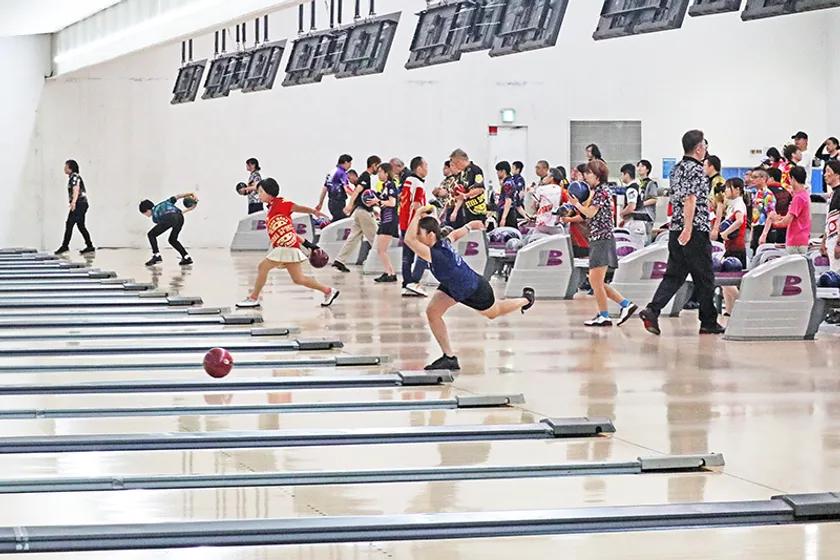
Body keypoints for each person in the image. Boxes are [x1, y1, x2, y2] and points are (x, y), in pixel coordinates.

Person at [404, 206, 535, 371]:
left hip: (475, 290)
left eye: (419, 234)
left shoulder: (436, 255)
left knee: (494, 312)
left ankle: (526, 300)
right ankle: (449, 358)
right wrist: (469, 226)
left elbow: (409, 240)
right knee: (433, 312)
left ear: (430, 236)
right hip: (452, 286)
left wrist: (416, 213)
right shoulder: (440, 244)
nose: (416, 237)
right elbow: (453, 235)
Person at [639, 129, 725, 336]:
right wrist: (688, 228)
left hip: (675, 228)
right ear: (699, 149)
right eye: (704, 145)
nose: (706, 149)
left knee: (674, 275)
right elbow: (690, 199)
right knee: (705, 277)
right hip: (693, 229)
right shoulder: (696, 170)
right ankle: (708, 322)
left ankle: (652, 310)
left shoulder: (676, 169)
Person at [237, 178, 338, 309]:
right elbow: (289, 231)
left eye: (261, 191)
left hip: (286, 246)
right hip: (289, 246)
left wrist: (314, 212)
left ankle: (253, 298)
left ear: (269, 193)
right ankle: (328, 291)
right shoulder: (271, 208)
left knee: (263, 267)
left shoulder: (281, 203)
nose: (259, 195)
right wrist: (309, 245)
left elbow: (297, 207)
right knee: (299, 279)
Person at [570, 160, 637, 327]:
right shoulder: (599, 191)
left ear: (598, 175)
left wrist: (576, 204)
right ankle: (625, 305)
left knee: (595, 281)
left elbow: (590, 213)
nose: (586, 176)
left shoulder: (602, 191)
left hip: (602, 239)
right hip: (598, 239)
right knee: (596, 281)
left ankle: (606, 314)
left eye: (589, 173)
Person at [331, 155, 381, 273]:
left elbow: (360, 196)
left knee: (352, 238)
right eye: (378, 166)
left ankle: (339, 260)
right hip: (363, 213)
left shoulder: (365, 177)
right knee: (376, 239)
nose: (379, 170)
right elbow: (357, 191)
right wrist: (349, 205)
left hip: (359, 211)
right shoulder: (365, 176)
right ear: (374, 165)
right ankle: (382, 265)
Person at [718, 178, 750, 315]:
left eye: (728, 187)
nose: (725, 190)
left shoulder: (739, 204)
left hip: (736, 248)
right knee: (726, 281)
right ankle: (729, 311)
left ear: (737, 190)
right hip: (730, 247)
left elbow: (740, 221)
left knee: (725, 280)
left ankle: (743, 305)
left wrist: (725, 232)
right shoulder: (732, 204)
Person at [400, 156, 430, 297]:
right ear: (419, 168)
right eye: (426, 166)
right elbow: (417, 205)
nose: (427, 169)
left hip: (404, 222)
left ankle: (406, 282)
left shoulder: (408, 181)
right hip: (414, 224)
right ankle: (414, 281)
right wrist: (427, 213)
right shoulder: (418, 184)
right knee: (425, 253)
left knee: (407, 256)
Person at [138, 193, 196, 267]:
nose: (146, 215)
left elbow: (169, 218)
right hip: (180, 218)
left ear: (147, 210)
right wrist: (192, 194)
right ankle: (186, 257)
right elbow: (178, 197)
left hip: (170, 218)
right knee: (172, 240)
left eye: (144, 213)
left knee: (151, 234)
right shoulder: (166, 202)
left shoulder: (154, 216)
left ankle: (156, 256)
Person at [767, 166, 811, 255]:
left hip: (795, 241)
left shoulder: (798, 198)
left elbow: (787, 221)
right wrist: (780, 218)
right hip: (802, 238)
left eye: (790, 179)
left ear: (793, 179)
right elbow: (795, 217)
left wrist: (774, 221)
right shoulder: (805, 194)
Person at [56, 159, 95, 255]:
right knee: (80, 225)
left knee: (70, 224)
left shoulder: (74, 177)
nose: (64, 168)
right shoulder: (73, 177)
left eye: (66, 167)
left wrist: (74, 202)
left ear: (70, 168)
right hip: (81, 203)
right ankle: (89, 246)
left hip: (79, 204)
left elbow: (76, 189)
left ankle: (65, 246)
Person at [373, 163, 400, 283]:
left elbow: (392, 203)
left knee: (381, 250)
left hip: (389, 220)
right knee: (381, 249)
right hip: (384, 219)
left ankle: (389, 273)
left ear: (386, 173)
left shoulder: (391, 185)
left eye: (380, 172)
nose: (378, 174)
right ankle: (389, 272)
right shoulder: (385, 186)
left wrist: (378, 201)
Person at [448, 149, 486, 227]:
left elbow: (480, 189)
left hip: (477, 209)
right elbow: (461, 194)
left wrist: (466, 195)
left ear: (460, 161)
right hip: (466, 210)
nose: (455, 166)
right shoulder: (462, 174)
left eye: (455, 163)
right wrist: (455, 211)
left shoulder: (476, 170)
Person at [316, 154, 353, 221]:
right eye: (350, 163)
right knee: (342, 222)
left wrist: (320, 203)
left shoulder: (331, 172)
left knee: (337, 220)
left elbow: (324, 189)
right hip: (339, 202)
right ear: (346, 162)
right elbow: (347, 189)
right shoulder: (342, 173)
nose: (350, 166)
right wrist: (355, 195)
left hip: (331, 203)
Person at [759, 167, 790, 245]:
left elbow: (767, 212)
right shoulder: (787, 192)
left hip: (769, 228)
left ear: (771, 178)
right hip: (784, 228)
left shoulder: (766, 192)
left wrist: (764, 233)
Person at [618, 163, 647, 247]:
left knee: (634, 249)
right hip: (637, 222)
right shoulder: (637, 187)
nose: (621, 177)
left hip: (635, 223)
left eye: (622, 174)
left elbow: (631, 206)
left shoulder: (631, 189)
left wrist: (622, 213)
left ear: (627, 175)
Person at [822, 160, 840, 273]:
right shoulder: (832, 194)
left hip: (836, 240)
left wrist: (839, 243)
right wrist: (824, 240)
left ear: (837, 175)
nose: (825, 175)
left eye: (828, 171)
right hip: (830, 240)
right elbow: (828, 219)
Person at [534, 168, 564, 234]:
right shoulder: (560, 189)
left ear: (551, 178)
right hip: (555, 222)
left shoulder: (540, 189)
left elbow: (533, 205)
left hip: (542, 222)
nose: (544, 178)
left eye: (546, 175)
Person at [495, 161, 520, 229]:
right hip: (509, 212)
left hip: (507, 213)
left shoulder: (507, 184)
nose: (497, 173)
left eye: (498, 171)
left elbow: (508, 201)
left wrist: (503, 218)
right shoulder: (510, 182)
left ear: (503, 171)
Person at [637, 159, 659, 233]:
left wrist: (641, 204)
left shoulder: (651, 183)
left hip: (647, 214)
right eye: (638, 166)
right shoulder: (639, 183)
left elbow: (654, 199)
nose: (639, 168)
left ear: (647, 169)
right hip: (639, 213)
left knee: (647, 235)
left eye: (642, 166)